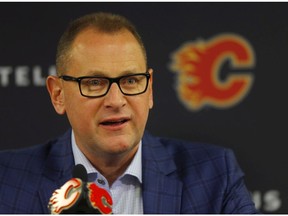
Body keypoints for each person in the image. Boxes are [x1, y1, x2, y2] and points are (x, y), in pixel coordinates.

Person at [0, 12, 258, 214]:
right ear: (58, 95)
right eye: (94, 83)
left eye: (131, 81)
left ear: (150, 90)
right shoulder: (6, 180)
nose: (116, 100)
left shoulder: (215, 175)